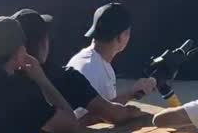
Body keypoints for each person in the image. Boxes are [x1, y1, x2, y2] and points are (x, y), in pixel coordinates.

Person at [12, 9, 145, 126]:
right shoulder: (69, 76)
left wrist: (131, 94)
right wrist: (130, 107)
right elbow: (102, 116)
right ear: (43, 43)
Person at [67, 2, 156, 106]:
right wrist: (131, 93)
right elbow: (89, 118)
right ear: (121, 36)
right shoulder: (91, 69)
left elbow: (105, 109)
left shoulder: (95, 63)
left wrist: (134, 92)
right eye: (128, 33)